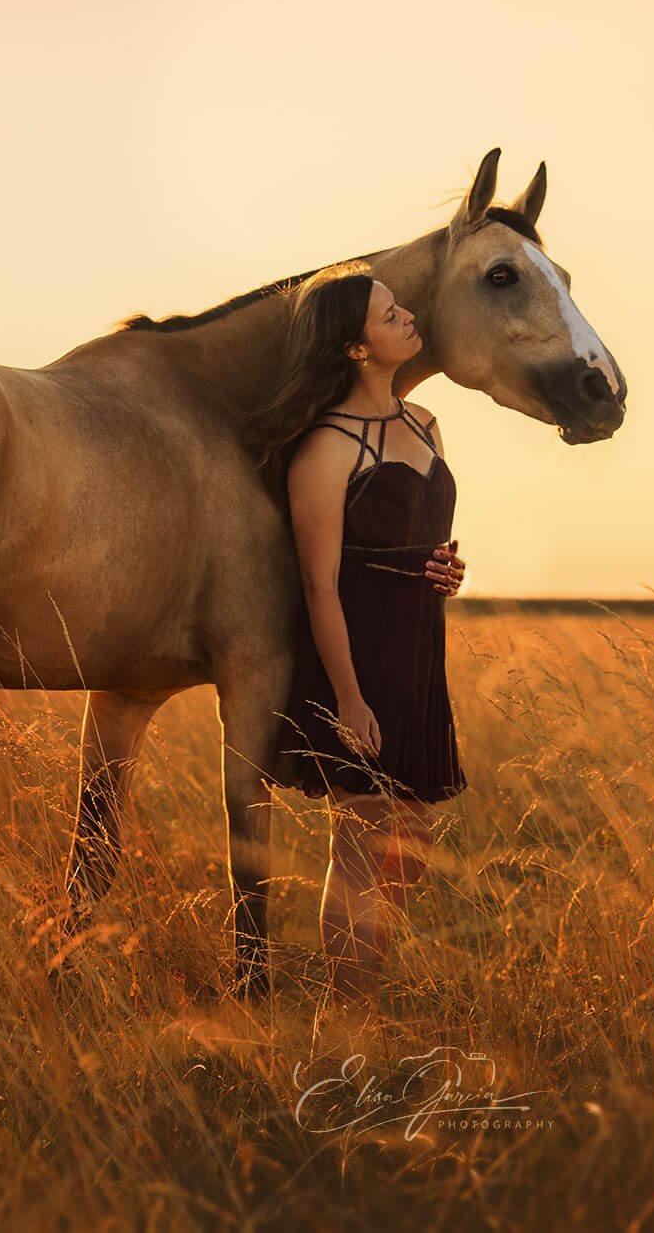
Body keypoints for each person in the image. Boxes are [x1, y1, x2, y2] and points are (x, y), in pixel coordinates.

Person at [246, 260, 468, 998]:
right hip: (358, 649)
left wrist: (447, 572)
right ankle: (344, 1019)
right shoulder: (328, 445)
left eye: (400, 306)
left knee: (412, 841)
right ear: (355, 349)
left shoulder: (424, 422)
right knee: (363, 842)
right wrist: (348, 697)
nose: (408, 317)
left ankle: (357, 992)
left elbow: (424, 535)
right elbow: (319, 582)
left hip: (419, 645)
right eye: (387, 315)